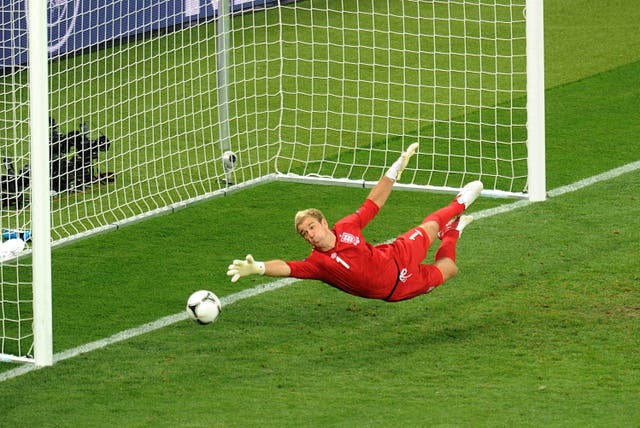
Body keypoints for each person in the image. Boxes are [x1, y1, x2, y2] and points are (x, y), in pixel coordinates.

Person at [227, 143, 483, 302]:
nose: (310, 235)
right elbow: (287, 267)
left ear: (324, 223)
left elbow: (373, 204)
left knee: (430, 227)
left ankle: (459, 204)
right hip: (398, 289)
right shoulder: (319, 264)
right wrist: (258, 268)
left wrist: (395, 170)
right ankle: (453, 234)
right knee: (449, 269)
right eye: (304, 234)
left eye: (311, 227)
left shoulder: (347, 226)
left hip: (396, 254)